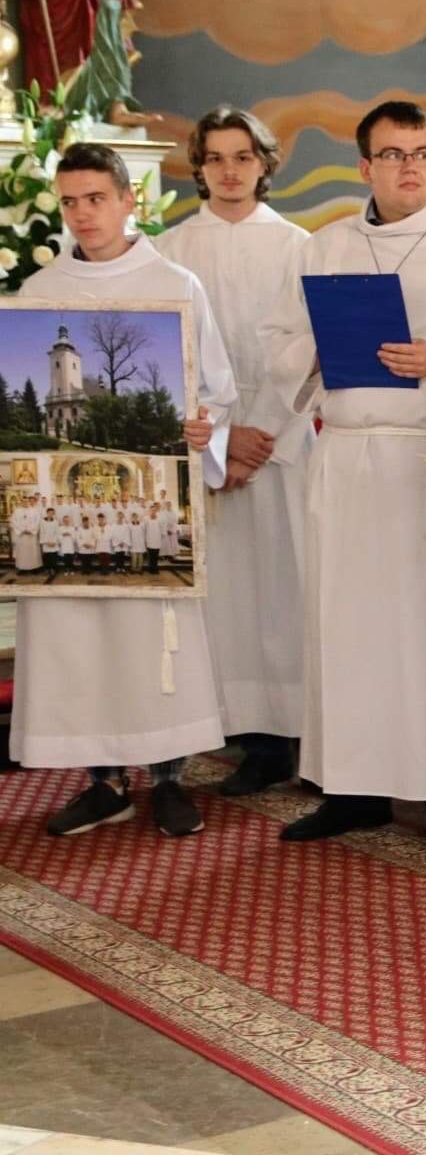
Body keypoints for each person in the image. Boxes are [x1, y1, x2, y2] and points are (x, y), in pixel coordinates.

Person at [262, 99, 426, 849]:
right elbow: (277, 342)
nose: (410, 167)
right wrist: (315, 352)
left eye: (422, 153)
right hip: (348, 459)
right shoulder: (324, 248)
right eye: (393, 154)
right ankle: (354, 787)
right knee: (347, 629)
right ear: (365, 166)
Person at [12, 143, 238, 839]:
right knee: (79, 640)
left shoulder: (174, 284)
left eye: (96, 199)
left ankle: (168, 779)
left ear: (127, 200)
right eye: (70, 201)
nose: (82, 214)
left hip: (149, 496)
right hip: (65, 507)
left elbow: (217, 388)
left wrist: (204, 428)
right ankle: (103, 783)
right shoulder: (37, 292)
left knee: (152, 639)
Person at [159, 106, 314, 796]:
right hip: (206, 446)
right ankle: (229, 727)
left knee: (282, 590)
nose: (229, 171)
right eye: (215, 158)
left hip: (279, 441)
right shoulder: (169, 250)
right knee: (221, 595)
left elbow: (308, 351)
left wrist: (261, 437)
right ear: (198, 167)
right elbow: (169, 360)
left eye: (242, 157)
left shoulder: (298, 247)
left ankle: (283, 735)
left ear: (264, 164)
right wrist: (220, 442)